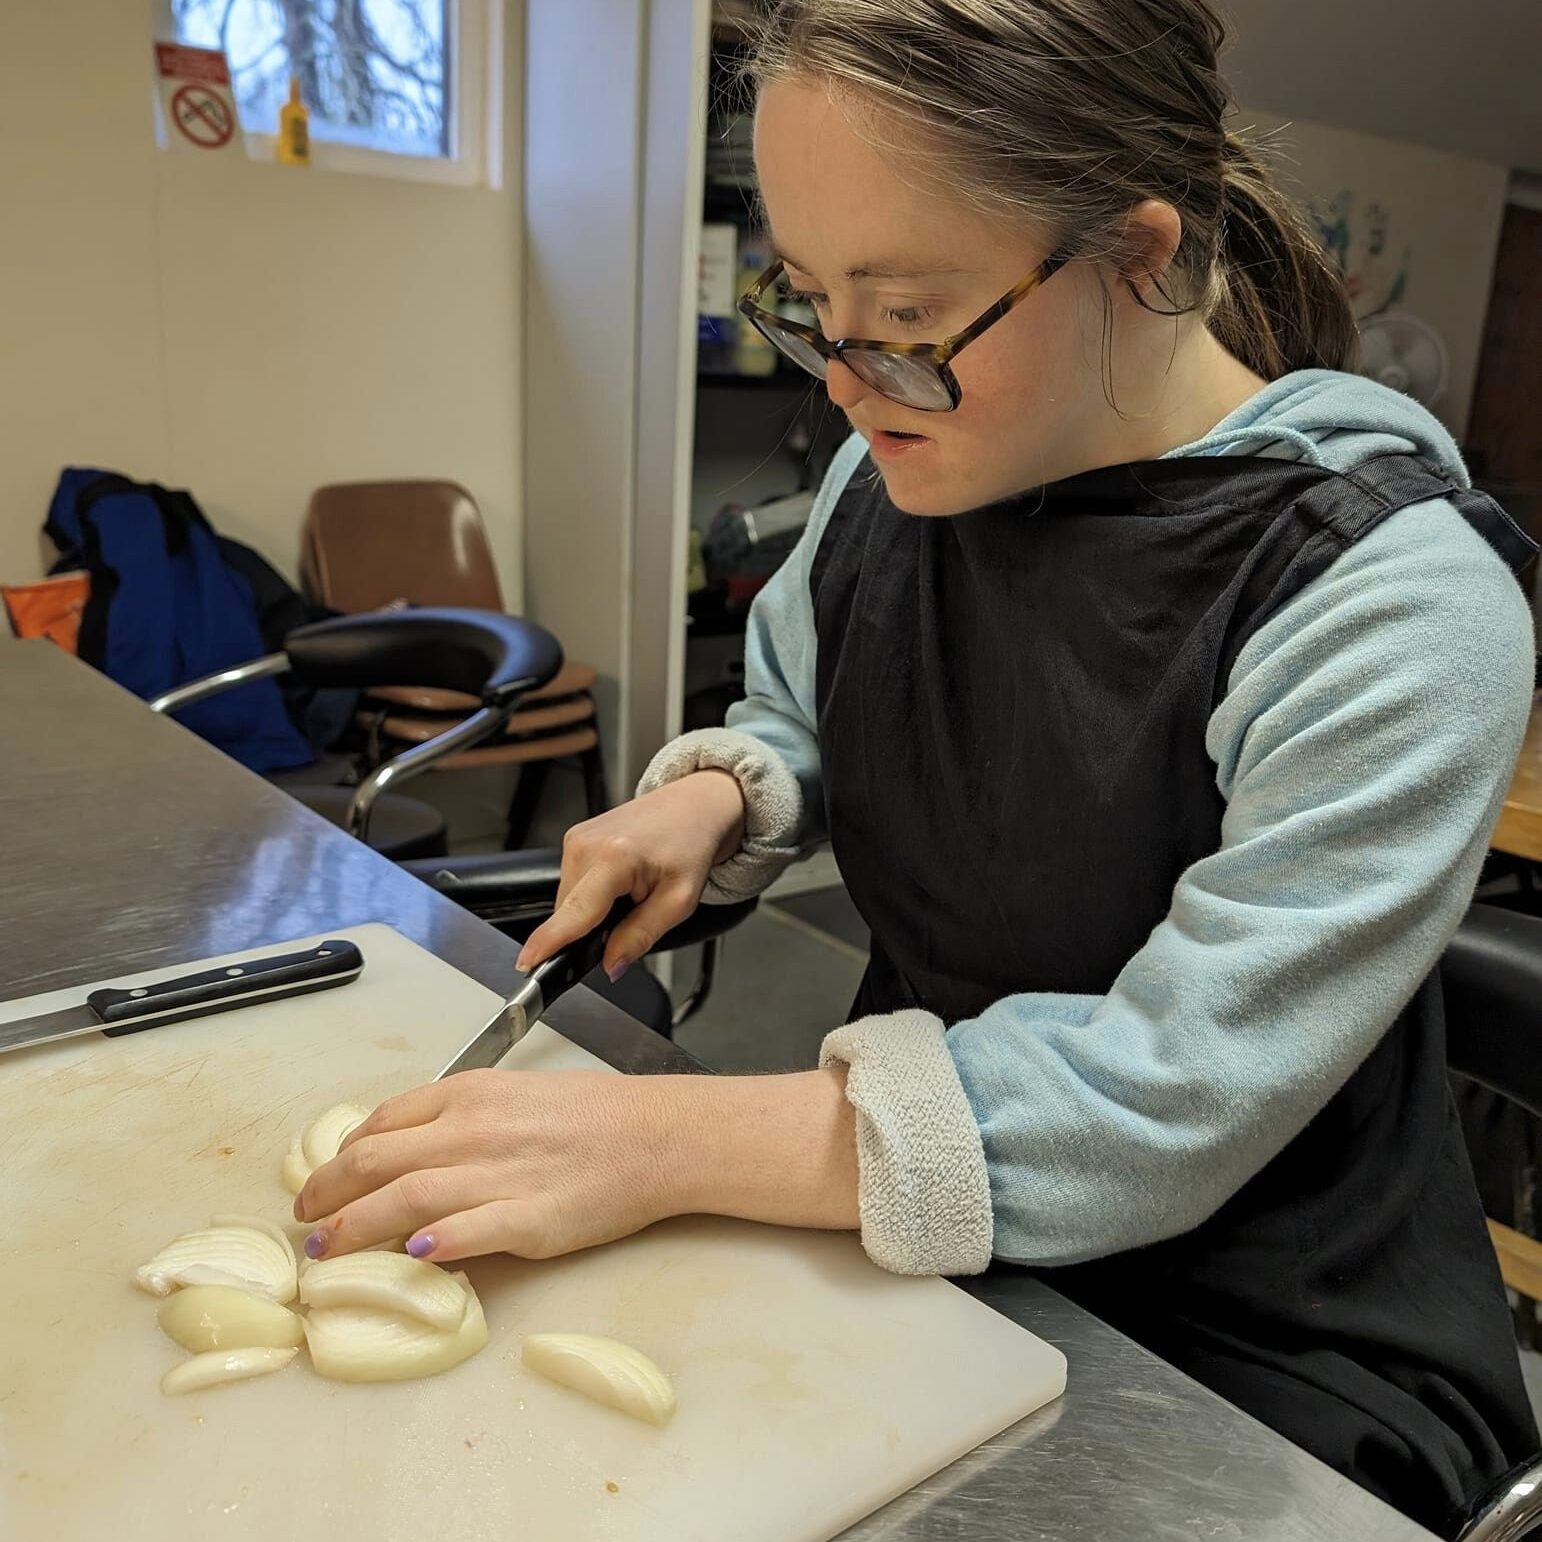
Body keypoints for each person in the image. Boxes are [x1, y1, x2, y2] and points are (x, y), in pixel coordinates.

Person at [292, 2, 1540, 1530]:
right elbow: (810, 712)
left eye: (902, 316)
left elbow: (1169, 1090)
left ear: (1141, 255)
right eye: (807, 300)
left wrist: (655, 1137)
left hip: (1261, 1341)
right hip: (909, 1231)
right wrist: (720, 794)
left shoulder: (1382, 597)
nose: (842, 379)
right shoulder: (880, 479)